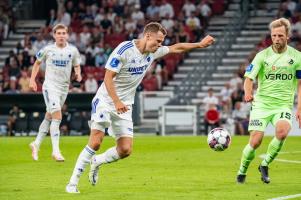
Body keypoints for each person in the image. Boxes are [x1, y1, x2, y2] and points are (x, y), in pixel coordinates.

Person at [66, 22, 215, 193]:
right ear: (148, 36)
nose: (159, 45)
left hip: (125, 105)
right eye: (157, 41)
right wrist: (116, 102)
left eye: (161, 42)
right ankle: (72, 183)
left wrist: (200, 44)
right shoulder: (124, 50)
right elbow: (107, 78)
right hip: (106, 101)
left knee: (125, 150)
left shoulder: (153, 52)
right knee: (96, 142)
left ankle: (97, 161)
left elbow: (177, 48)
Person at [236, 18, 301, 184]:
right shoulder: (262, 56)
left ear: (288, 36)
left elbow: (300, 84)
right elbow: (249, 78)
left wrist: (299, 107)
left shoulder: (297, 57)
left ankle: (264, 164)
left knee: (282, 132)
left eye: (280, 35)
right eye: (274, 35)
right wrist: (248, 93)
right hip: (262, 105)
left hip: (283, 105)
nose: (277, 38)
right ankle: (242, 169)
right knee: (256, 141)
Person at [29, 23, 82, 162]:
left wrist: (78, 74)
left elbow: (77, 65)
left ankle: (36, 144)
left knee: (49, 117)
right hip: (50, 86)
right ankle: (56, 151)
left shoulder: (73, 51)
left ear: (67, 35)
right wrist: (32, 80)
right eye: (58, 33)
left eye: (63, 33)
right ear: (54, 35)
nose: (61, 36)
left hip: (64, 88)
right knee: (57, 116)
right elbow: (36, 63)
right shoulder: (48, 49)